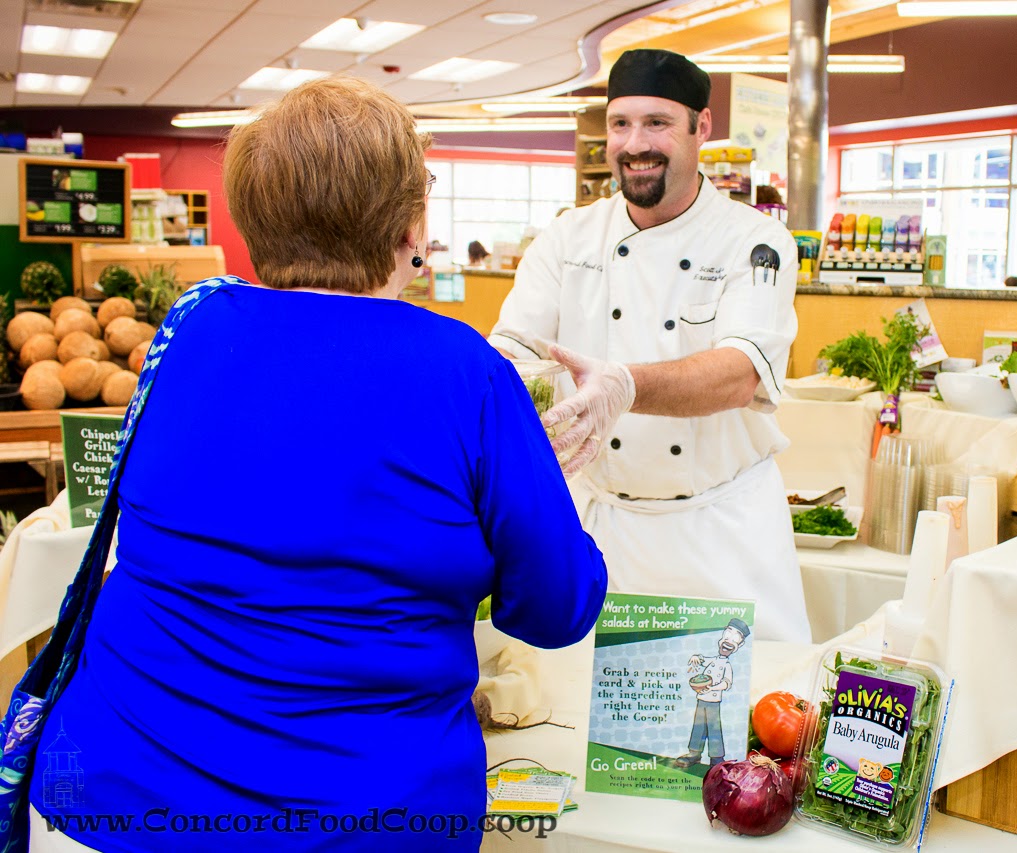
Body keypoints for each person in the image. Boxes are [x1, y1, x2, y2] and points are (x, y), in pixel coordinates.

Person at [29, 76, 607, 852]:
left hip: (114, 788)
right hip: (365, 816)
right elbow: (558, 607)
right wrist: (548, 487)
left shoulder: (188, 334)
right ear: (410, 227)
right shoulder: (464, 372)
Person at [488, 48, 810, 644]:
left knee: (739, 725)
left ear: (701, 128)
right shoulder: (568, 238)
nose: (635, 143)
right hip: (599, 524)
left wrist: (625, 386)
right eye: (620, 124)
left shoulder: (755, 242)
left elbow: (741, 373)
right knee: (576, 720)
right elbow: (510, 350)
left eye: (657, 123)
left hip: (721, 532)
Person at [677, 618, 749, 768]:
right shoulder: (714, 660)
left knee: (714, 729)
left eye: (734, 638)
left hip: (713, 702)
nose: (728, 641)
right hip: (701, 699)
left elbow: (726, 683)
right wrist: (696, 657)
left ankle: (717, 759)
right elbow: (703, 660)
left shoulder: (727, 665)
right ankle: (694, 754)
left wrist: (713, 687)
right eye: (727, 635)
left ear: (739, 645)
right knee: (698, 727)